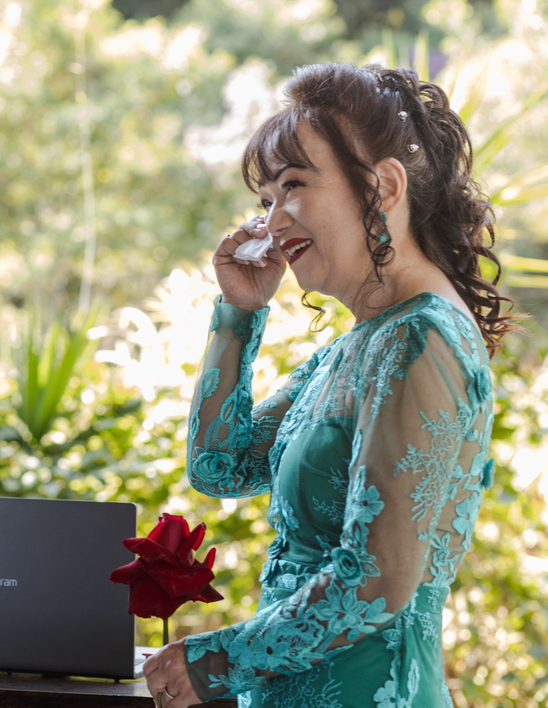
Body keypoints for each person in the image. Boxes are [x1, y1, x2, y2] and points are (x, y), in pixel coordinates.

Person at [141, 63, 510, 708]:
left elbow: (379, 580)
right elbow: (219, 466)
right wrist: (239, 312)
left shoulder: (422, 339)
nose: (273, 220)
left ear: (384, 186)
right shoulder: (354, 347)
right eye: (264, 201)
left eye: (292, 185)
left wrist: (216, 661)